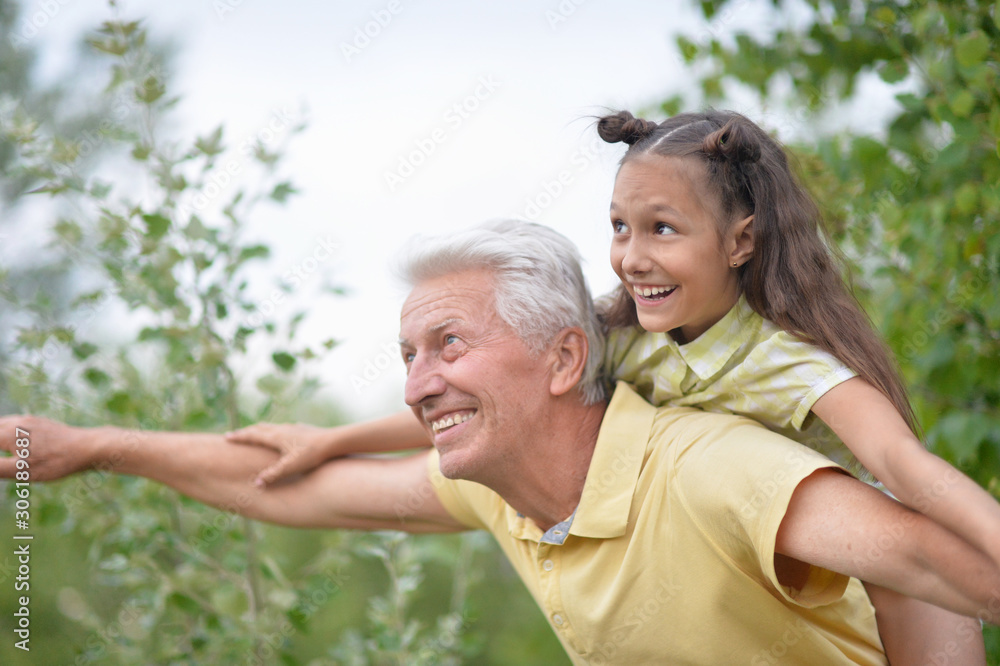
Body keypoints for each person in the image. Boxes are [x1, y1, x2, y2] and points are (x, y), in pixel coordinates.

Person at [3, 220, 999, 664]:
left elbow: (937, 563)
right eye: (407, 354)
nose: (417, 383)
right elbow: (290, 491)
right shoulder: (499, 489)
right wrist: (92, 446)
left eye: (448, 344)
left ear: (566, 360)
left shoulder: (714, 474)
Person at [230, 111, 999, 662]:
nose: (629, 256)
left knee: (909, 578)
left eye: (662, 229)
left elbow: (906, 469)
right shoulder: (634, 342)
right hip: (736, 551)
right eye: (619, 227)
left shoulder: (797, 366)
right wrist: (331, 439)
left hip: (848, 547)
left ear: (741, 240)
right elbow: (484, 401)